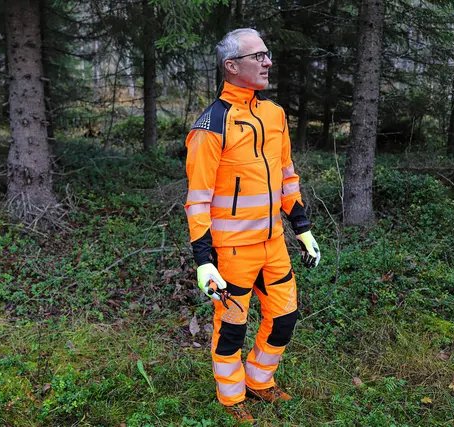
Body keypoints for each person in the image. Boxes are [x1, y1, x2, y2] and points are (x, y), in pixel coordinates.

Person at [184, 28, 321, 422]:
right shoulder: (211, 125)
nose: (268, 62)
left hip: (274, 244)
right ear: (232, 66)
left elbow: (286, 176)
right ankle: (231, 398)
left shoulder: (275, 114)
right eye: (257, 56)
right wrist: (203, 259)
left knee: (284, 317)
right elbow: (198, 199)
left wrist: (302, 227)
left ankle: (260, 381)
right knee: (231, 331)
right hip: (231, 254)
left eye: (268, 54)